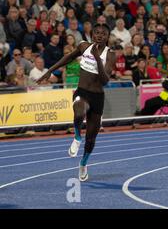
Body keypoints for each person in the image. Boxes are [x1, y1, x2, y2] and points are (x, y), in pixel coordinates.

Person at [37, 23, 116, 182]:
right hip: (82, 91)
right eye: (96, 32)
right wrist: (49, 71)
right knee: (79, 110)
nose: (99, 36)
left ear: (107, 37)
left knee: (92, 139)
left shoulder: (110, 54)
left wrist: (97, 59)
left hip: (97, 97)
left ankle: (83, 164)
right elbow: (67, 57)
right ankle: (77, 136)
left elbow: (105, 80)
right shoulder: (83, 46)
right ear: (92, 34)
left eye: (103, 34)